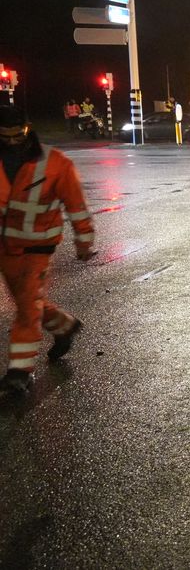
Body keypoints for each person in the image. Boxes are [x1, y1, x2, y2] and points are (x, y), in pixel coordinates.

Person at [0, 104, 95, 397]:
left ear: (28, 129)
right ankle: (64, 326)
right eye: (6, 136)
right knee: (28, 301)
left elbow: (76, 205)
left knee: (28, 308)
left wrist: (84, 241)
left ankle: (19, 373)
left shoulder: (55, 163)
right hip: (6, 247)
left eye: (19, 136)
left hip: (37, 246)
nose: (13, 142)